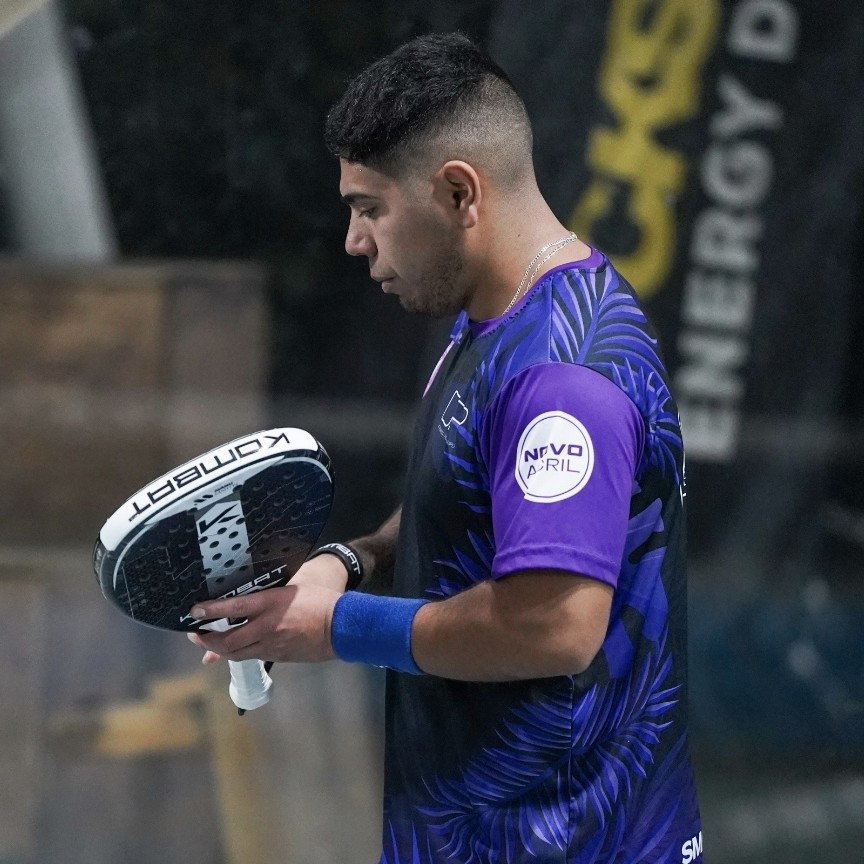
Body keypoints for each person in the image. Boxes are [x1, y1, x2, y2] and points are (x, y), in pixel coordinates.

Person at [188, 32, 702, 864]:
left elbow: (554, 626)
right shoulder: (501, 318)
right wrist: (349, 564)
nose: (355, 240)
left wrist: (338, 627)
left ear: (459, 192)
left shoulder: (562, 378)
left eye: (370, 208)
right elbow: (472, 506)